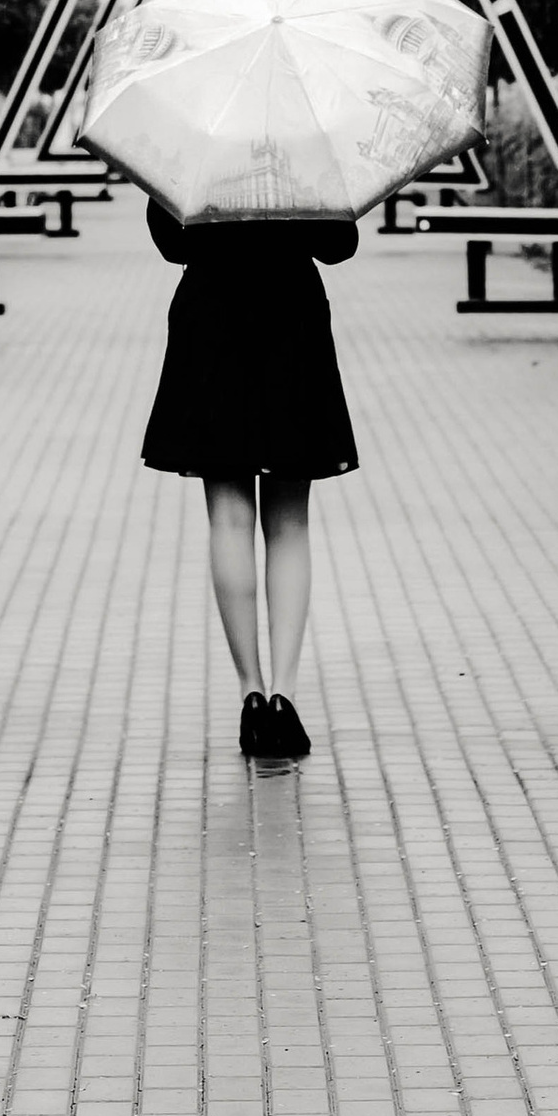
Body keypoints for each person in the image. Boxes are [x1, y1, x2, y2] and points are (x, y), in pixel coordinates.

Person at [141, 197, 359, 760]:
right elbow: (339, 245)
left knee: (229, 517)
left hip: (211, 317)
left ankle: (251, 694)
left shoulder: (195, 131)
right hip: (293, 319)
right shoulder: (303, 136)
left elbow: (172, 242)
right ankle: (285, 694)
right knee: (289, 523)